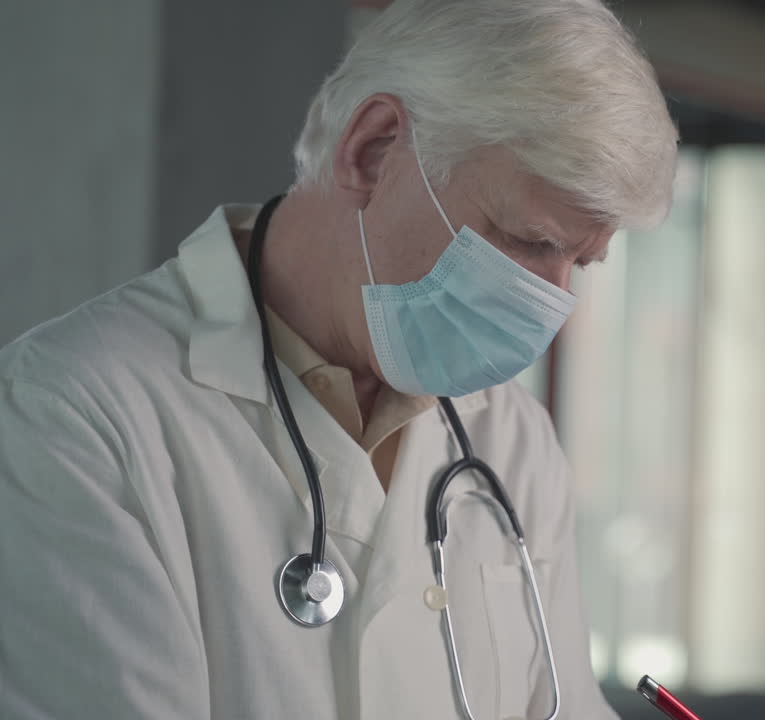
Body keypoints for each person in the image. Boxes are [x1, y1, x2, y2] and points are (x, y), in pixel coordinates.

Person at [0, 0, 677, 717]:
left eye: (584, 262)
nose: (550, 301)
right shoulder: (73, 414)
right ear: (374, 149)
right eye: (530, 242)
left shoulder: (514, 442)